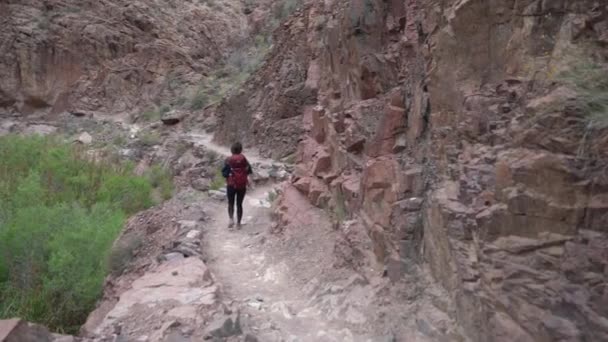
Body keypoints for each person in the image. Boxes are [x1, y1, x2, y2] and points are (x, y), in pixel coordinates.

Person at [222, 142, 253, 229]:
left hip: (231, 184)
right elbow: (249, 171)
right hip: (242, 185)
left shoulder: (228, 160)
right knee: (239, 204)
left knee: (231, 203)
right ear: (241, 150)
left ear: (231, 150)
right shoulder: (244, 159)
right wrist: (249, 181)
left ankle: (231, 219)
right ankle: (238, 223)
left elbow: (224, 174)